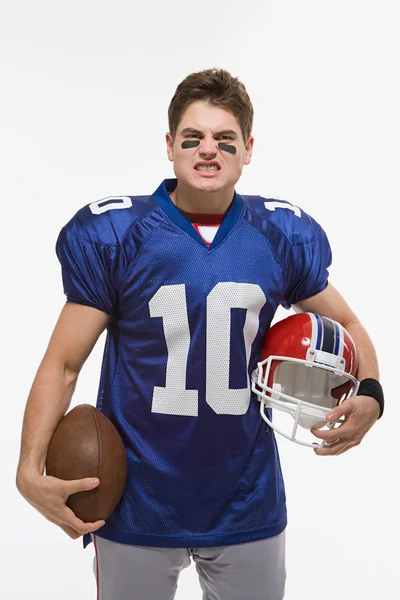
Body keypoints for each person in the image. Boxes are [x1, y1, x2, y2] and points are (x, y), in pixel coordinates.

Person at [16, 68, 383, 600]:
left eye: (224, 139)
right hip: (136, 496)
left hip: (246, 497)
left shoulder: (279, 234)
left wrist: (371, 390)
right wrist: (29, 470)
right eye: (193, 138)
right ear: (169, 146)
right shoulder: (120, 235)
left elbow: (347, 322)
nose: (207, 150)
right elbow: (64, 363)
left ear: (248, 149)